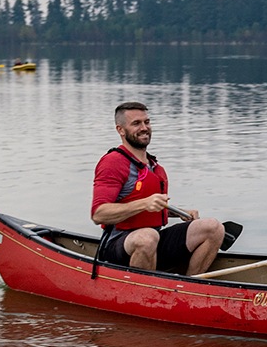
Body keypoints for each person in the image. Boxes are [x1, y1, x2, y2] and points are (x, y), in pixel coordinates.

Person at [90, 101, 225, 275]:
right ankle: (141, 293)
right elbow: (98, 214)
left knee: (213, 227)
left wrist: (180, 212)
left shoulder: (154, 166)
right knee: (147, 237)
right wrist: (144, 204)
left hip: (153, 241)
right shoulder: (113, 162)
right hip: (117, 246)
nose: (144, 128)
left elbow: (149, 210)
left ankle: (188, 285)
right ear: (120, 130)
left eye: (147, 122)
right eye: (136, 123)